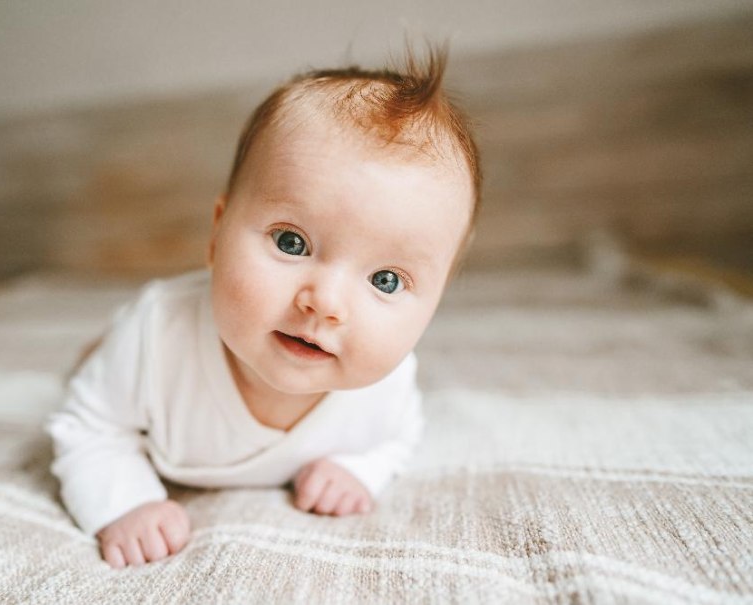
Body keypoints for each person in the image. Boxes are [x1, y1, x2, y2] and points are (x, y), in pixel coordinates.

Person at [47, 48, 482, 568]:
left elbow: (400, 437)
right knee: (98, 374)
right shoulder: (157, 338)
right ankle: (93, 353)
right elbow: (88, 428)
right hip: (139, 352)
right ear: (217, 234)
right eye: (292, 243)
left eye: (385, 280)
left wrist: (359, 470)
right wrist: (125, 502)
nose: (325, 302)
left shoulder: (387, 388)